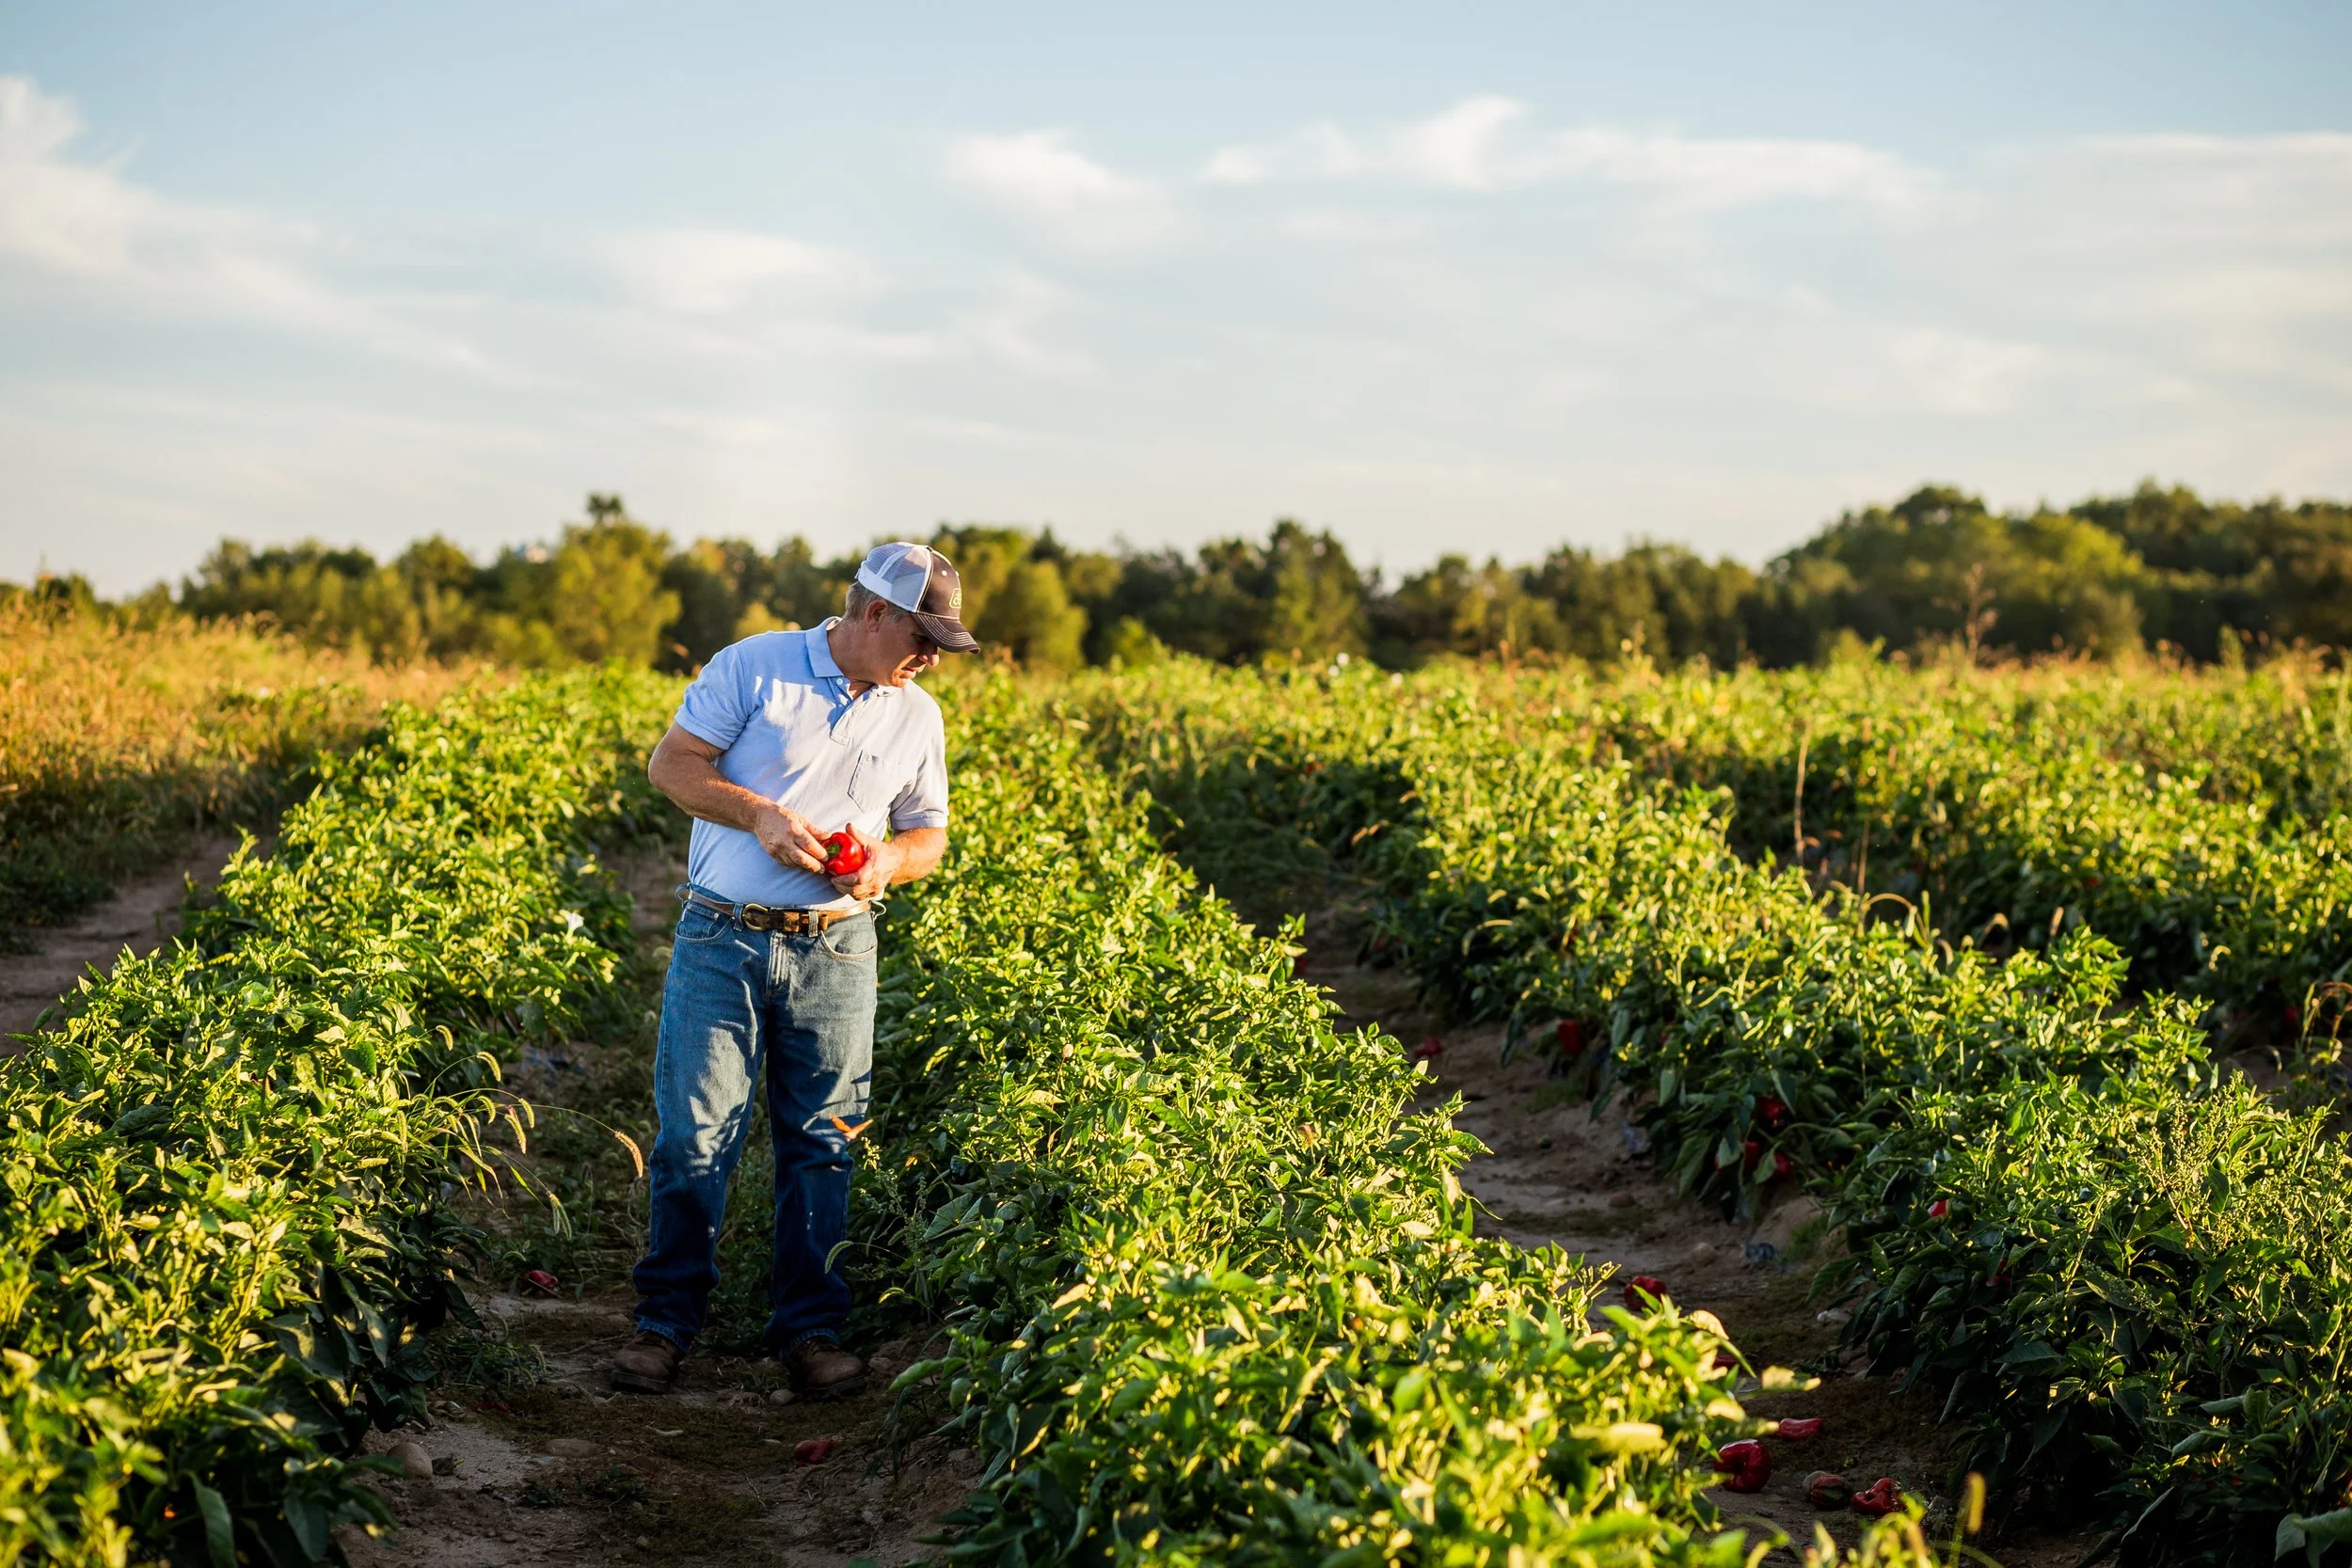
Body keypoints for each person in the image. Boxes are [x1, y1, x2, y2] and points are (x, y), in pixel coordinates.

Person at [610, 541, 977, 1398]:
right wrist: (761, 817)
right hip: (722, 935)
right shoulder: (757, 666)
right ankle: (665, 1324)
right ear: (873, 614)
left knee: (824, 1141)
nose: (930, 658)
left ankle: (809, 1331)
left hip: (840, 945)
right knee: (695, 1133)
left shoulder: (916, 715)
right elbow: (672, 765)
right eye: (923, 636)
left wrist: (887, 861)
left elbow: (930, 832)